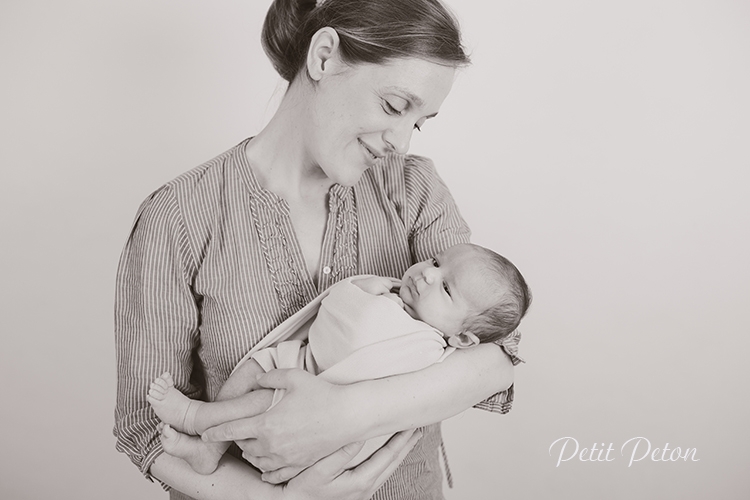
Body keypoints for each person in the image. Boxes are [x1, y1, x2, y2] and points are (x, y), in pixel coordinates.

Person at [114, 0, 523, 499]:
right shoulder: (177, 218)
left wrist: (344, 414)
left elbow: (497, 352)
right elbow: (144, 429)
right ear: (324, 57)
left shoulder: (413, 188)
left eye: (418, 122)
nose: (401, 141)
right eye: (395, 106)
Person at [146, 243, 532, 476]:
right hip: (299, 361)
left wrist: (344, 409)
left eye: (446, 287)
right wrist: (364, 288)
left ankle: (194, 418)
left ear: (463, 337)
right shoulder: (391, 294)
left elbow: (502, 358)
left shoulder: (430, 348)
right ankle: (208, 451)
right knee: (253, 366)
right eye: (435, 261)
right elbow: (336, 310)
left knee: (266, 400)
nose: (428, 275)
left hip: (317, 392)